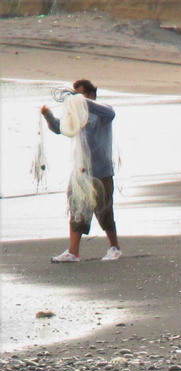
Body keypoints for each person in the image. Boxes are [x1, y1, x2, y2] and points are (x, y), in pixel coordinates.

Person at [40, 79, 121, 263]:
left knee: (104, 210)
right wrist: (47, 115)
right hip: (80, 171)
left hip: (101, 170)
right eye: (74, 95)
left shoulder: (102, 113)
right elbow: (61, 128)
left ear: (91, 95)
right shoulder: (75, 114)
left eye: (81, 95)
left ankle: (114, 247)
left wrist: (84, 103)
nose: (76, 99)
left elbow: (110, 112)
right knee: (77, 209)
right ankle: (73, 251)